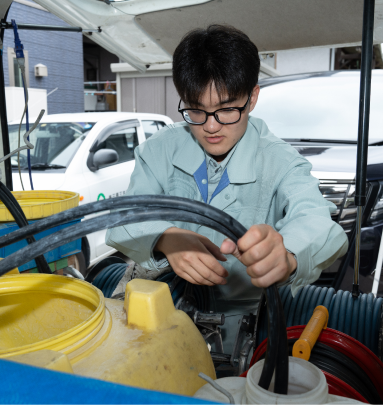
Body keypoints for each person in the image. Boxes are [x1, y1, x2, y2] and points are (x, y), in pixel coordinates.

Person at [106, 25, 348, 352]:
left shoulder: (281, 161)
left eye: (226, 109)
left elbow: (318, 222)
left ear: (253, 98)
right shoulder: (158, 150)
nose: (210, 125)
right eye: (195, 109)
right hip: (164, 304)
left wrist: (288, 254)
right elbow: (124, 217)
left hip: (248, 318)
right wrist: (167, 238)